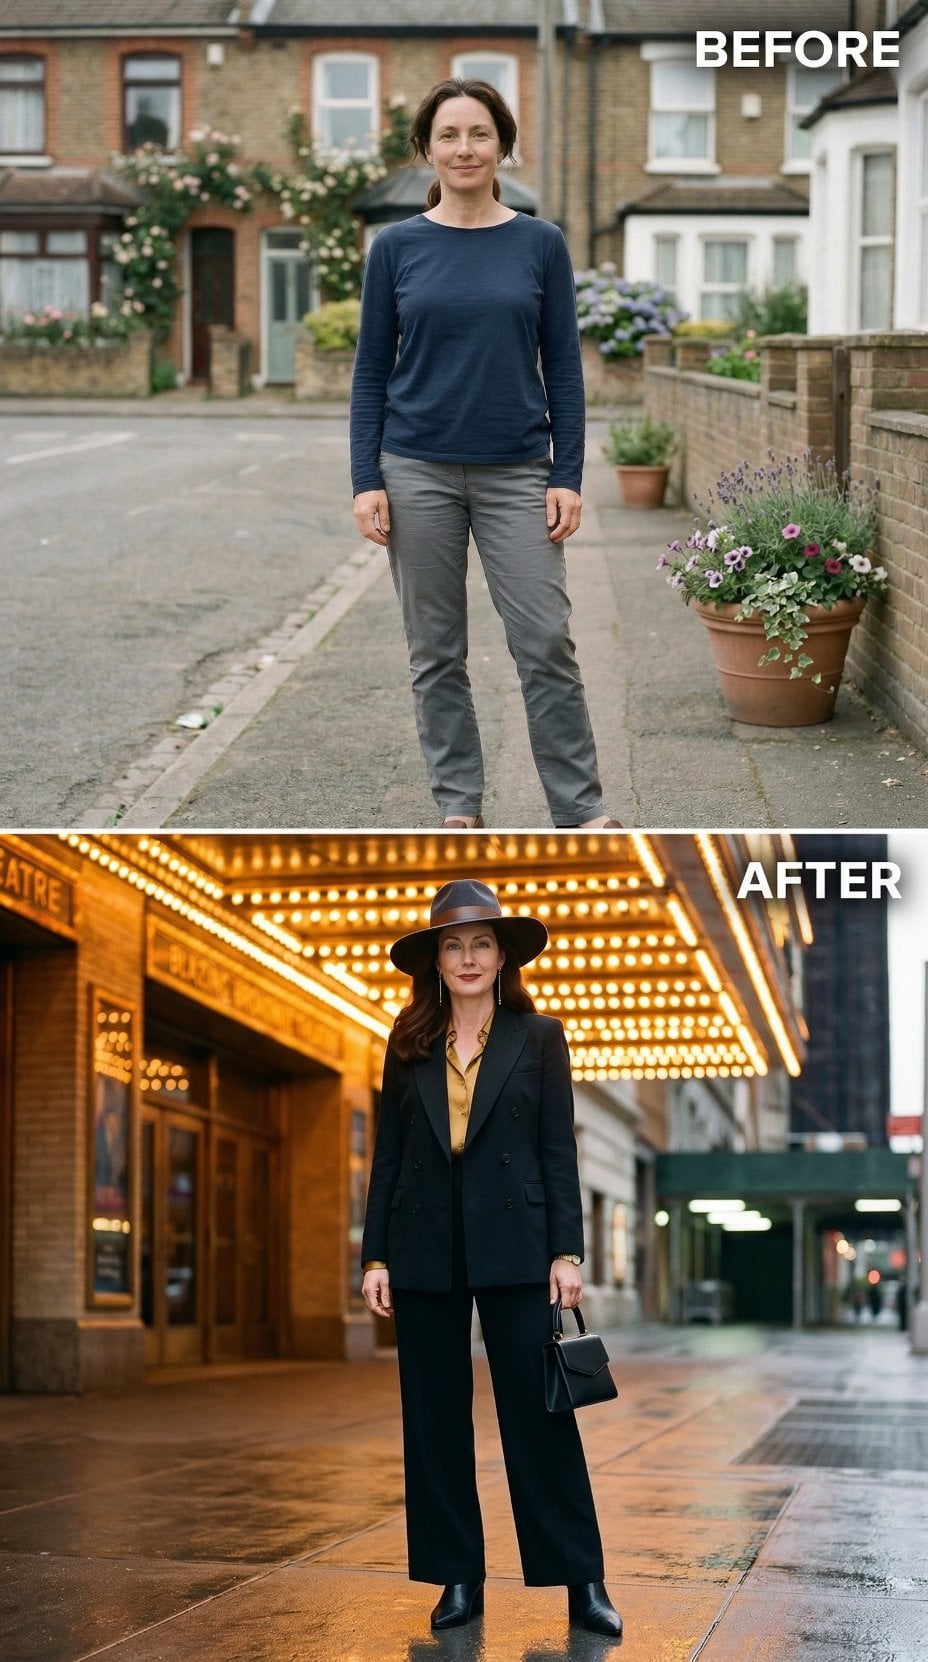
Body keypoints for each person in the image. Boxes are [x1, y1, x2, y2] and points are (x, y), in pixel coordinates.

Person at [350, 78, 620, 832]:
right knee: (435, 653)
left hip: (517, 473)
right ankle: (460, 807)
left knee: (544, 643)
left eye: (478, 134)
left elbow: (562, 364)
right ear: (426, 149)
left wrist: (567, 473)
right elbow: (371, 369)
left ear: (503, 143)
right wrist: (365, 479)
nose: (463, 149)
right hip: (416, 469)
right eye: (448, 135)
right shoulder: (396, 248)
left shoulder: (540, 242)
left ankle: (581, 811)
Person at [361, 878, 622, 1638]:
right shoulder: (406, 1040)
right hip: (423, 1248)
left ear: (502, 956)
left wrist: (566, 1250)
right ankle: (458, 1578)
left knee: (541, 1417)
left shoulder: (539, 1037)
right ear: (435, 961)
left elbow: (556, 1152)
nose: (467, 957)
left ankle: (582, 1581)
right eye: (453, 945)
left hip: (517, 1247)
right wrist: (375, 1252)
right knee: (434, 1419)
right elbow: (389, 1155)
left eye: (480, 944)